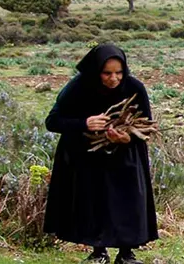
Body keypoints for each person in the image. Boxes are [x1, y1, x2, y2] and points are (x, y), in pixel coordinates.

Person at [44, 44, 158, 264]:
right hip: (87, 157)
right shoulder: (78, 87)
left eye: (118, 73)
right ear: (96, 71)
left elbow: (147, 125)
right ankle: (98, 252)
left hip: (125, 157)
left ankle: (127, 254)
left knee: (128, 201)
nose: (114, 79)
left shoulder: (134, 87)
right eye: (107, 73)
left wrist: (127, 137)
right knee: (94, 201)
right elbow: (53, 121)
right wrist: (84, 123)